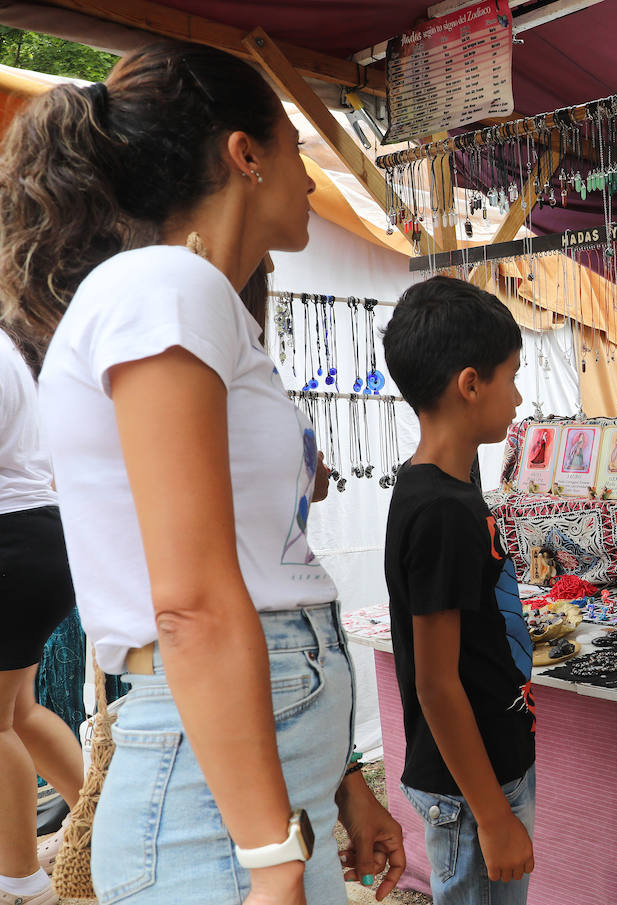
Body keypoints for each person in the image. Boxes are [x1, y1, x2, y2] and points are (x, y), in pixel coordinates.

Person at [0, 42, 403, 905]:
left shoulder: (191, 299)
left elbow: (262, 571)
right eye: (295, 147)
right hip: (213, 803)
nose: (307, 176)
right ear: (243, 154)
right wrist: (271, 858)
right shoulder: (161, 286)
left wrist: (342, 784)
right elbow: (190, 603)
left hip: (251, 773)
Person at [381, 277, 536, 905]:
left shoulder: (442, 486)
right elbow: (436, 683)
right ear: (470, 385)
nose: (520, 396)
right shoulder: (442, 510)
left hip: (484, 774)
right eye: (511, 377)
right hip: (473, 796)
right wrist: (495, 817)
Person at [0, 329, 85, 905]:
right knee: (20, 712)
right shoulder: (8, 345)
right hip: (38, 533)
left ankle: (22, 882)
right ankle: (104, 822)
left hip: (12, 539)